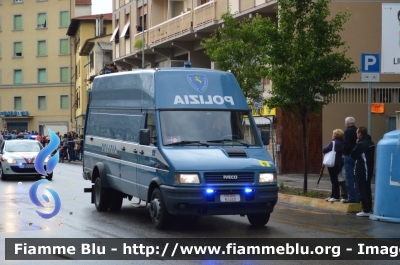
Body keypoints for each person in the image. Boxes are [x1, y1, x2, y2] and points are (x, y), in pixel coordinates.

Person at [351, 126, 375, 217]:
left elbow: (353, 154)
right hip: (369, 169)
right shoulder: (371, 143)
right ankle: (369, 208)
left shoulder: (361, 144)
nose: (356, 135)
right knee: (367, 189)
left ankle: (365, 210)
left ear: (360, 134)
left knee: (362, 190)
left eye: (357, 133)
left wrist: (357, 143)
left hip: (361, 169)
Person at [341, 117, 360, 203]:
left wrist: (344, 151)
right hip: (357, 156)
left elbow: (346, 145)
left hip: (348, 156)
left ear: (347, 124)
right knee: (356, 177)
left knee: (349, 177)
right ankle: (358, 196)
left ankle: (351, 197)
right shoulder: (358, 131)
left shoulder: (347, 132)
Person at [322, 129, 344, 202]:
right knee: (336, 179)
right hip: (340, 163)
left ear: (335, 135)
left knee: (333, 180)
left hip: (332, 163)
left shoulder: (333, 143)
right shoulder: (342, 143)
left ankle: (335, 195)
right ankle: (334, 195)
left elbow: (324, 149)